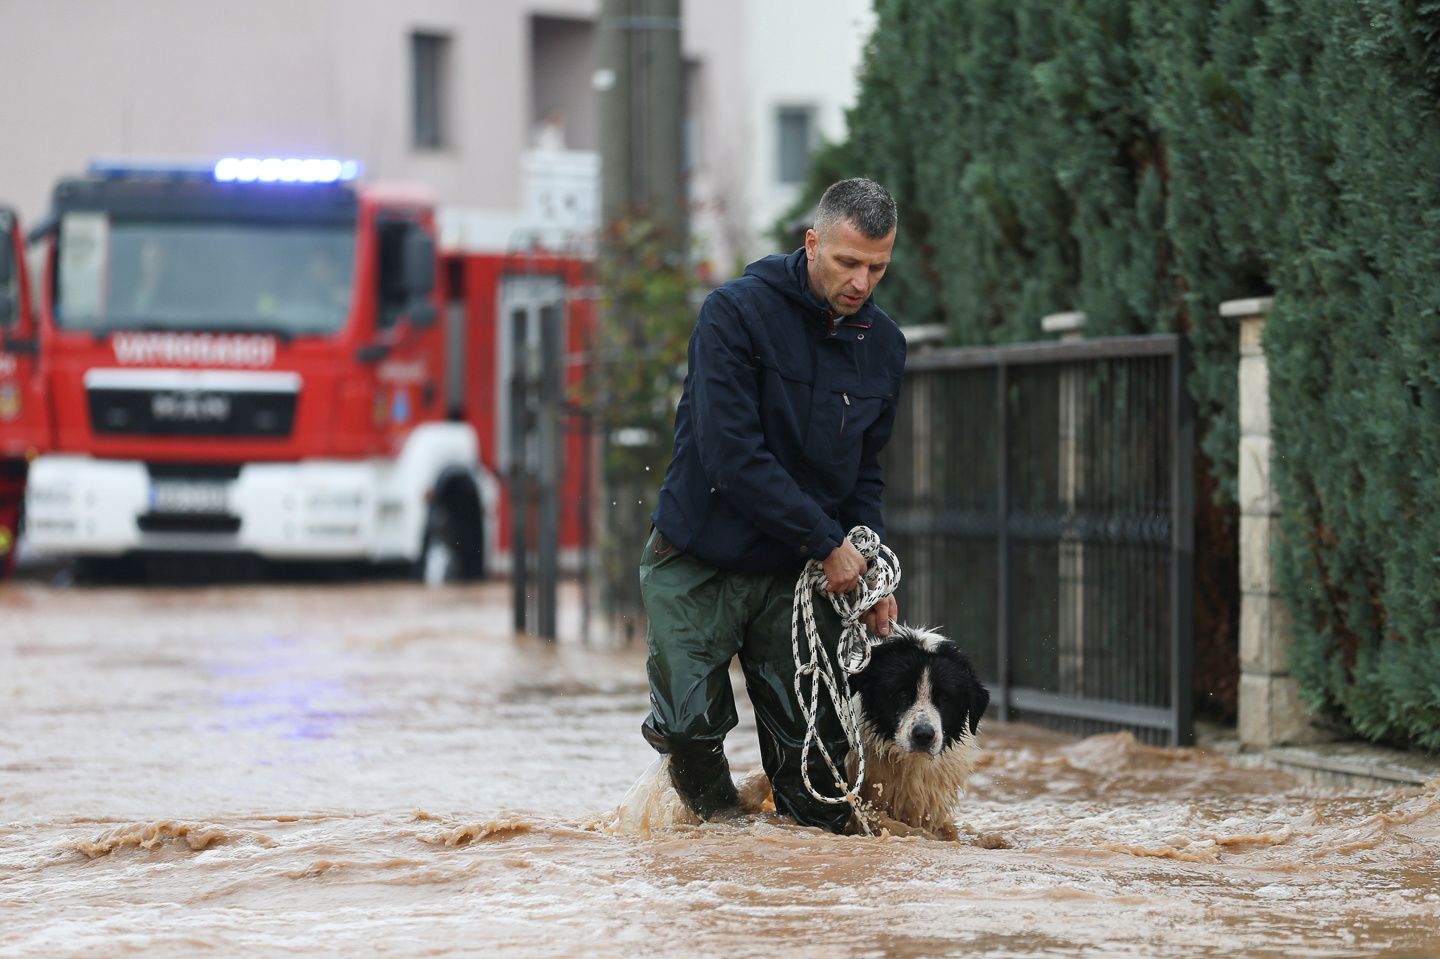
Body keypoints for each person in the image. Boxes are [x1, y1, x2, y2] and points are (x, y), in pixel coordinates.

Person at [639, 177, 906, 833]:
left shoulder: (885, 346)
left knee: (815, 766)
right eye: (848, 262)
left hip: (796, 570)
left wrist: (868, 565)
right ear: (812, 243)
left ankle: (804, 886)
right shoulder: (734, 314)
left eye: (877, 267)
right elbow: (732, 456)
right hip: (699, 556)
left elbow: (863, 473)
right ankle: (720, 841)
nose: (861, 281)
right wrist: (825, 540)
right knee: (686, 726)